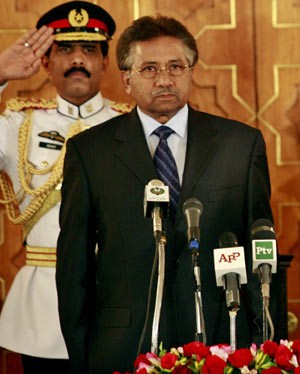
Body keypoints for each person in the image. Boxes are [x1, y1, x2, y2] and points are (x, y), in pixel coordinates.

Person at [56, 15, 281, 374]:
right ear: (126, 79)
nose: (164, 79)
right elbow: (74, 265)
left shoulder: (240, 145)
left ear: (192, 71)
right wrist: (81, 352)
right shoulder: (89, 152)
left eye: (175, 66)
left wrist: (263, 342)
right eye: (149, 68)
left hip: (222, 338)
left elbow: (260, 248)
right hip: (123, 343)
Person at [0, 1, 131, 373]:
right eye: (65, 50)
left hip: (117, 297)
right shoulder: (18, 123)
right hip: (44, 306)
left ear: (106, 61)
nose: (78, 60)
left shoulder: (131, 126)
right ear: (45, 62)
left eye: (89, 50)